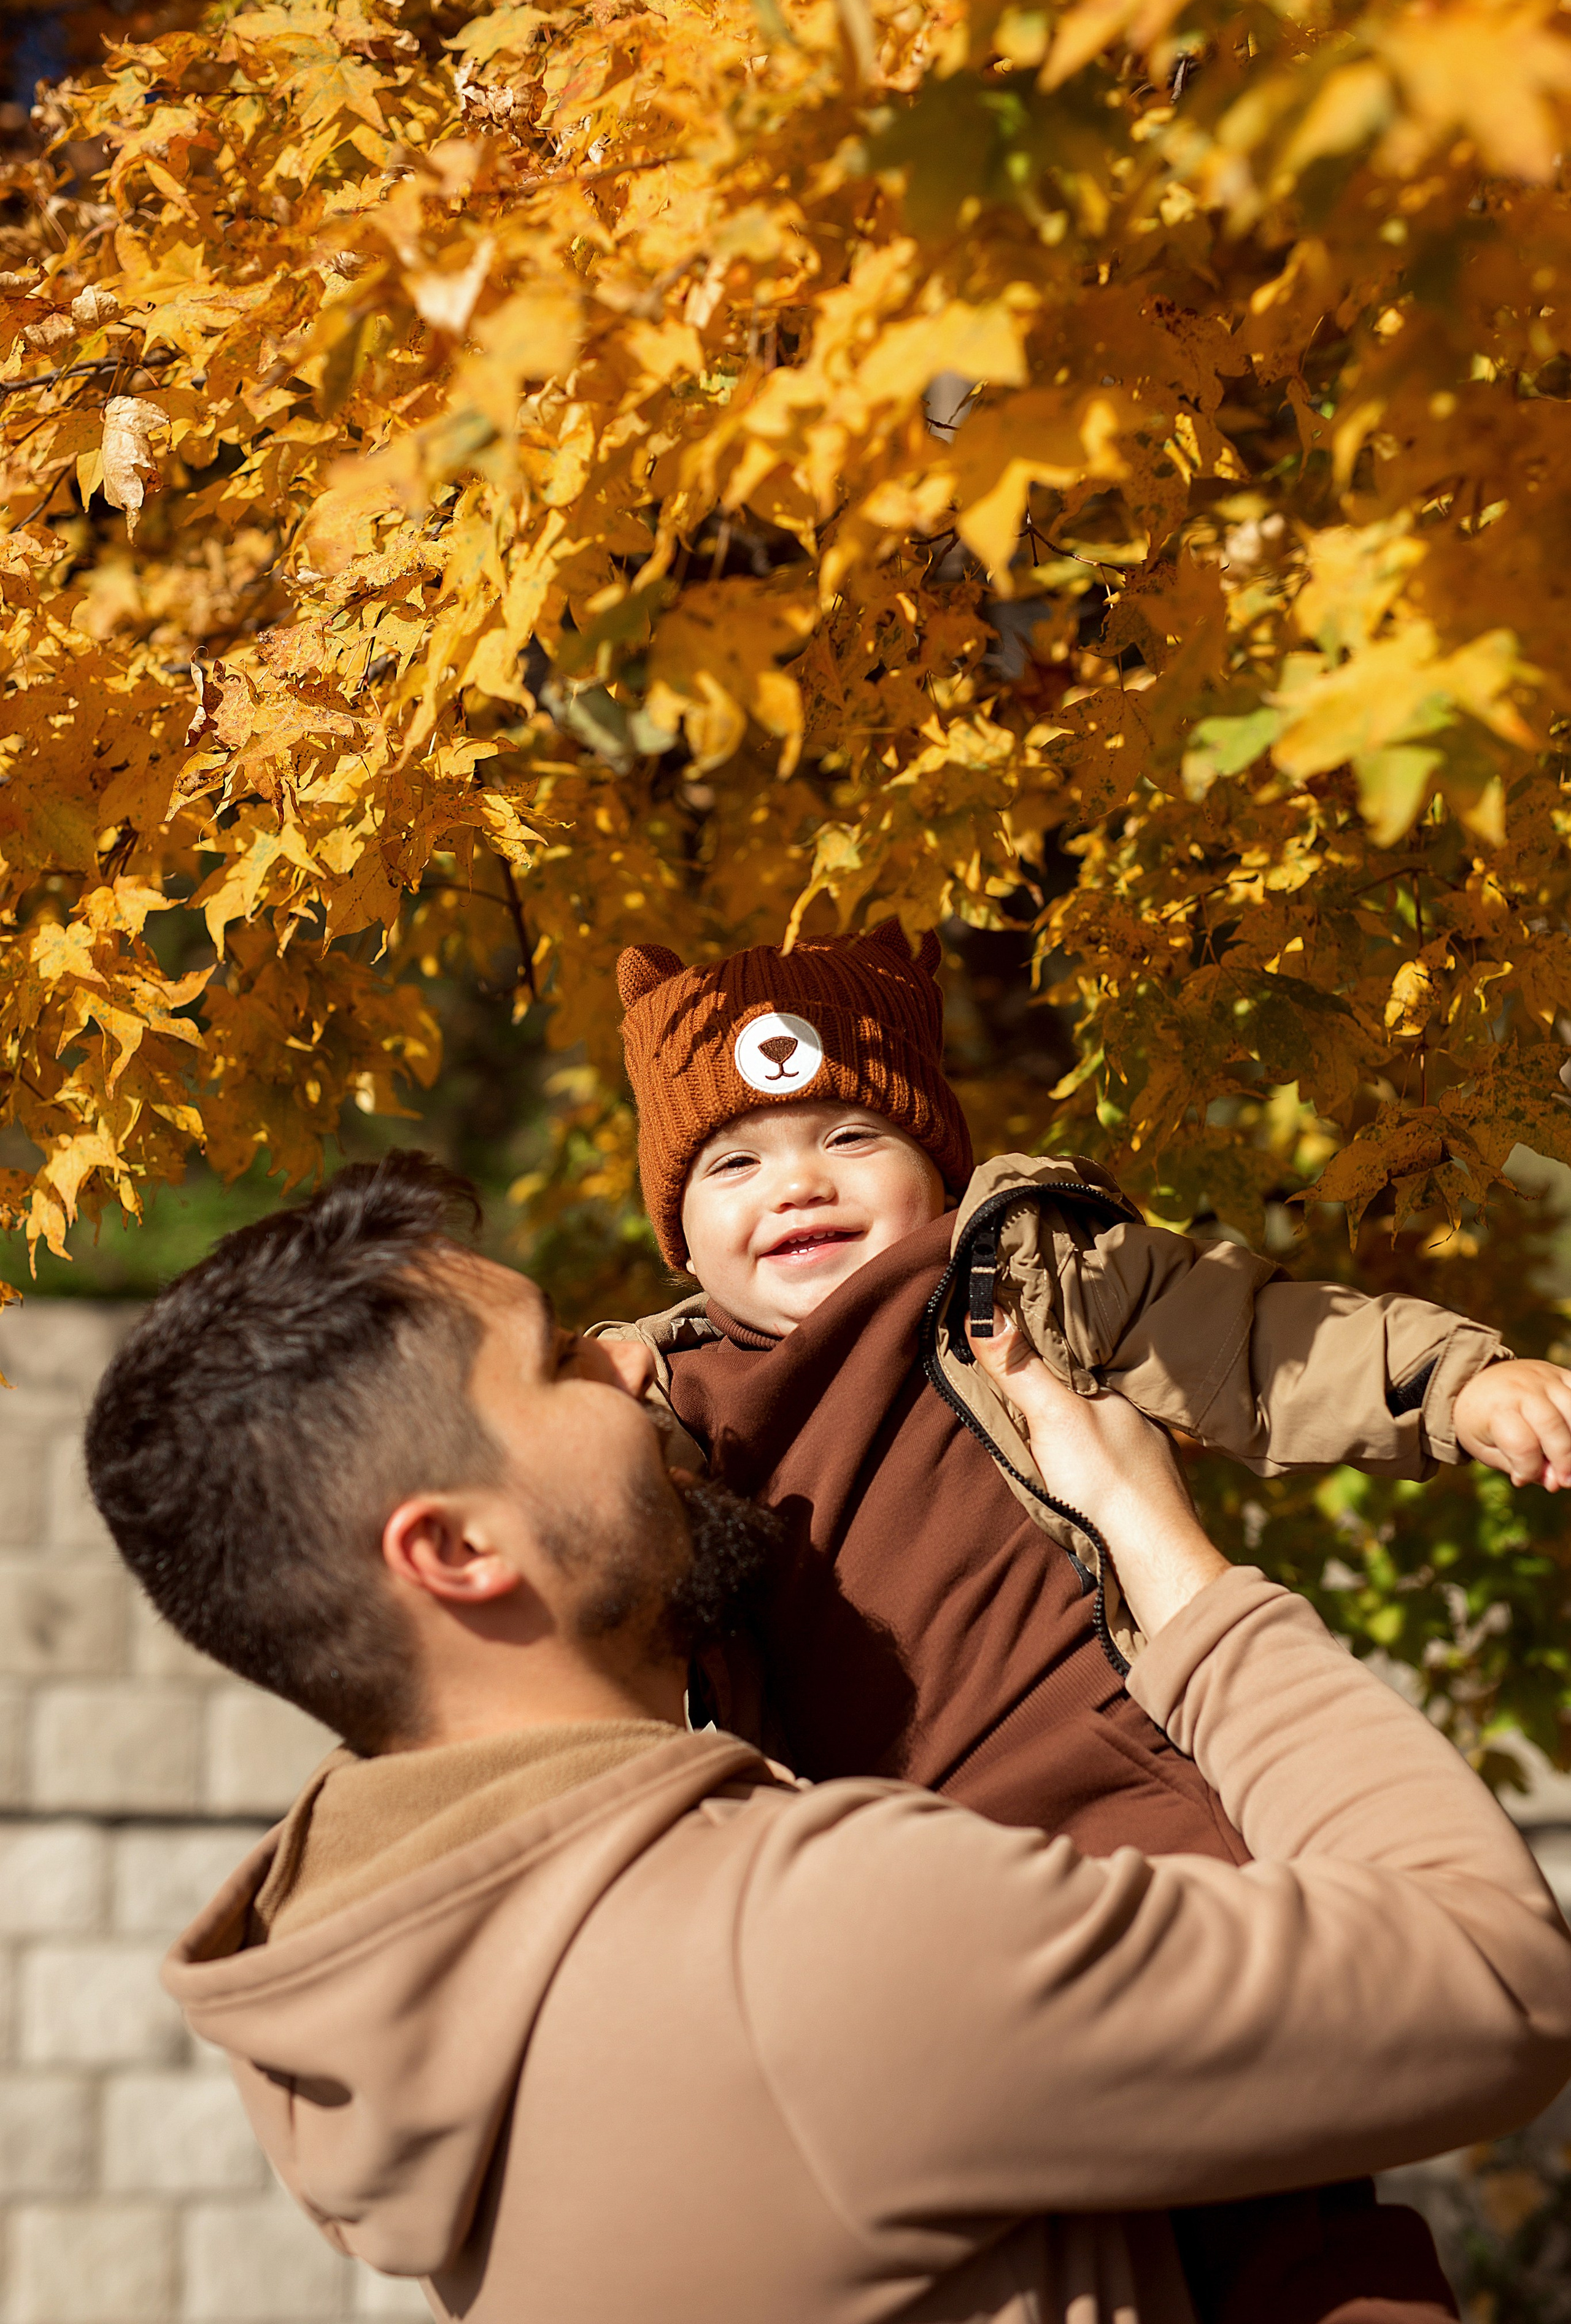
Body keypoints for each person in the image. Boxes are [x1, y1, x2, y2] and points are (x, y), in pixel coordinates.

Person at [83, 1154, 1571, 2324]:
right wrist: (1160, 1553)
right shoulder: (804, 1938)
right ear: (458, 1552)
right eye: (556, 1363)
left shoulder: (380, 2005)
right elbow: (1491, 1977)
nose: (630, 1365)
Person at [600, 920, 1571, 2317]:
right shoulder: (669, 1404)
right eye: (733, 1165)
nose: (797, 1185)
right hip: (875, 1886)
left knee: (1271, 2202)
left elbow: (1256, 1337)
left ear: (939, 1161)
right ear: (677, 1227)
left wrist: (1456, 1387)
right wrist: (600, 1398)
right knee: (1024, 2227)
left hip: (1119, 1810)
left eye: (850, 1137)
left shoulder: (1019, 1280)